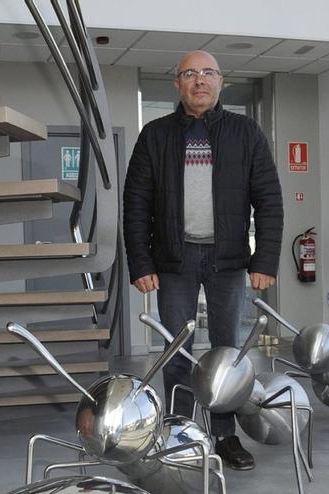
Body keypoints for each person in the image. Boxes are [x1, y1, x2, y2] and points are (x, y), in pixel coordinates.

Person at [124, 50, 284, 471]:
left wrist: (264, 258)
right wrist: (140, 263)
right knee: (176, 351)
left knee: (227, 353)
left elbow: (269, 199)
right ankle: (179, 433)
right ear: (177, 83)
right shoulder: (154, 135)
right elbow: (136, 205)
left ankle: (224, 434)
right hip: (173, 262)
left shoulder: (244, 132)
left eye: (208, 73)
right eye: (190, 74)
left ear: (221, 81)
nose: (200, 80)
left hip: (228, 261)